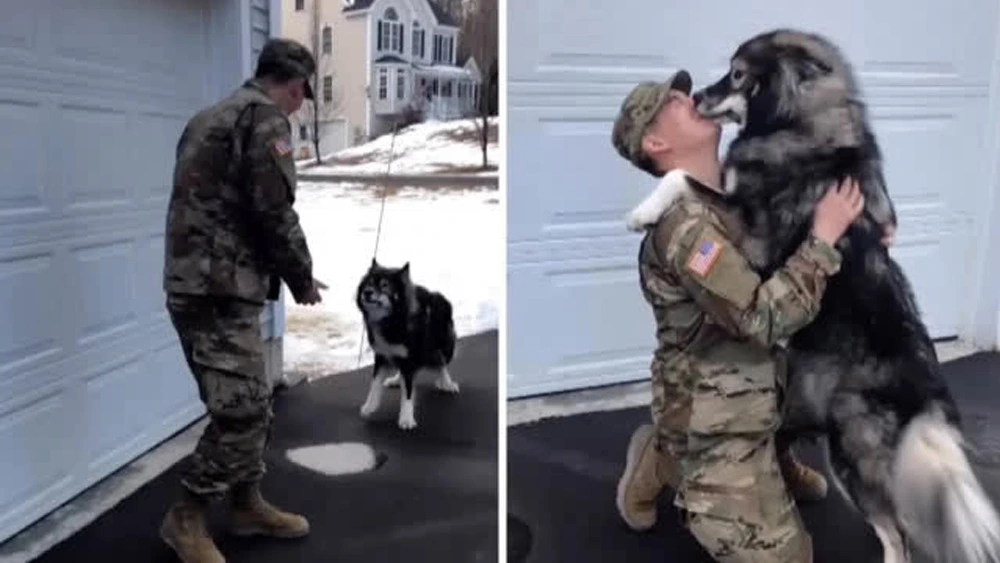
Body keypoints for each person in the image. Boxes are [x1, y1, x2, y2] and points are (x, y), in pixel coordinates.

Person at [610, 69, 888, 561]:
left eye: (682, 90)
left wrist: (859, 234)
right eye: (670, 102)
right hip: (714, 416)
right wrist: (823, 240)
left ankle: (762, 453)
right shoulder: (686, 231)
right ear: (654, 141)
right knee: (791, 557)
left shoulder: (729, 193)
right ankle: (674, 459)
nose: (687, 97)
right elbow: (763, 320)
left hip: (762, 386)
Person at [159, 38, 327, 563]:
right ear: (296, 86)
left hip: (196, 285)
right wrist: (303, 278)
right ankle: (185, 517)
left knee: (251, 397)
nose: (300, 104)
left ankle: (246, 502)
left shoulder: (207, 117)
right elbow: (274, 213)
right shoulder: (266, 121)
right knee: (242, 411)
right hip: (220, 291)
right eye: (302, 94)